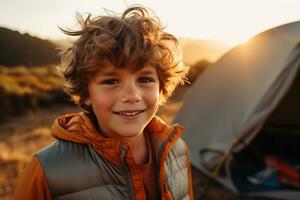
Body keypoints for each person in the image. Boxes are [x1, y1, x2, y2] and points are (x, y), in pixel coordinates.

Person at [14, 6, 193, 200]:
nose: (132, 95)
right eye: (111, 81)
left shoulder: (176, 150)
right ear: (86, 92)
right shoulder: (47, 171)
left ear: (161, 86)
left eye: (144, 79)